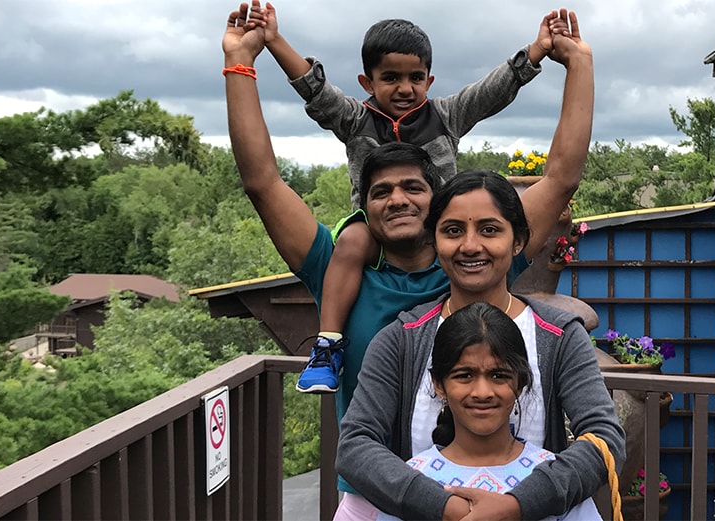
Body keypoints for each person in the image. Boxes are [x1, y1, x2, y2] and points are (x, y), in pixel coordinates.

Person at [222, 1, 587, 500]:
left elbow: (561, 177)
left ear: (437, 197)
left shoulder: (472, 264)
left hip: (494, 497)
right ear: (363, 203)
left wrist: (577, 63)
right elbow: (262, 181)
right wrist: (240, 63)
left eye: (413, 188)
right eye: (380, 191)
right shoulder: (340, 270)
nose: (397, 199)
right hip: (374, 497)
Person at [336, 11, 625, 521]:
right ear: (435, 239)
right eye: (453, 230)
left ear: (519, 243)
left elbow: (604, 440)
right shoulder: (403, 338)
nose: (471, 246)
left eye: (490, 230)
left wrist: (518, 505)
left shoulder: (557, 337)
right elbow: (356, 446)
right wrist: (441, 505)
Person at [245, 2, 559, 393]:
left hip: (440, 226)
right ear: (368, 83)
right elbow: (316, 89)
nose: (405, 89)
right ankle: (329, 342)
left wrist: (536, 51)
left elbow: (490, 92)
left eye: (415, 77)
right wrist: (274, 41)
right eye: (390, 78)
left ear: (429, 80)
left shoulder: (445, 115)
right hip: (376, 228)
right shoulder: (357, 118)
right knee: (352, 240)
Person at [371, 301, 602, 521]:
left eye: (498, 376)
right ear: (438, 384)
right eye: (464, 376)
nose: (482, 392)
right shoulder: (414, 480)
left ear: (520, 383)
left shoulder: (554, 478)